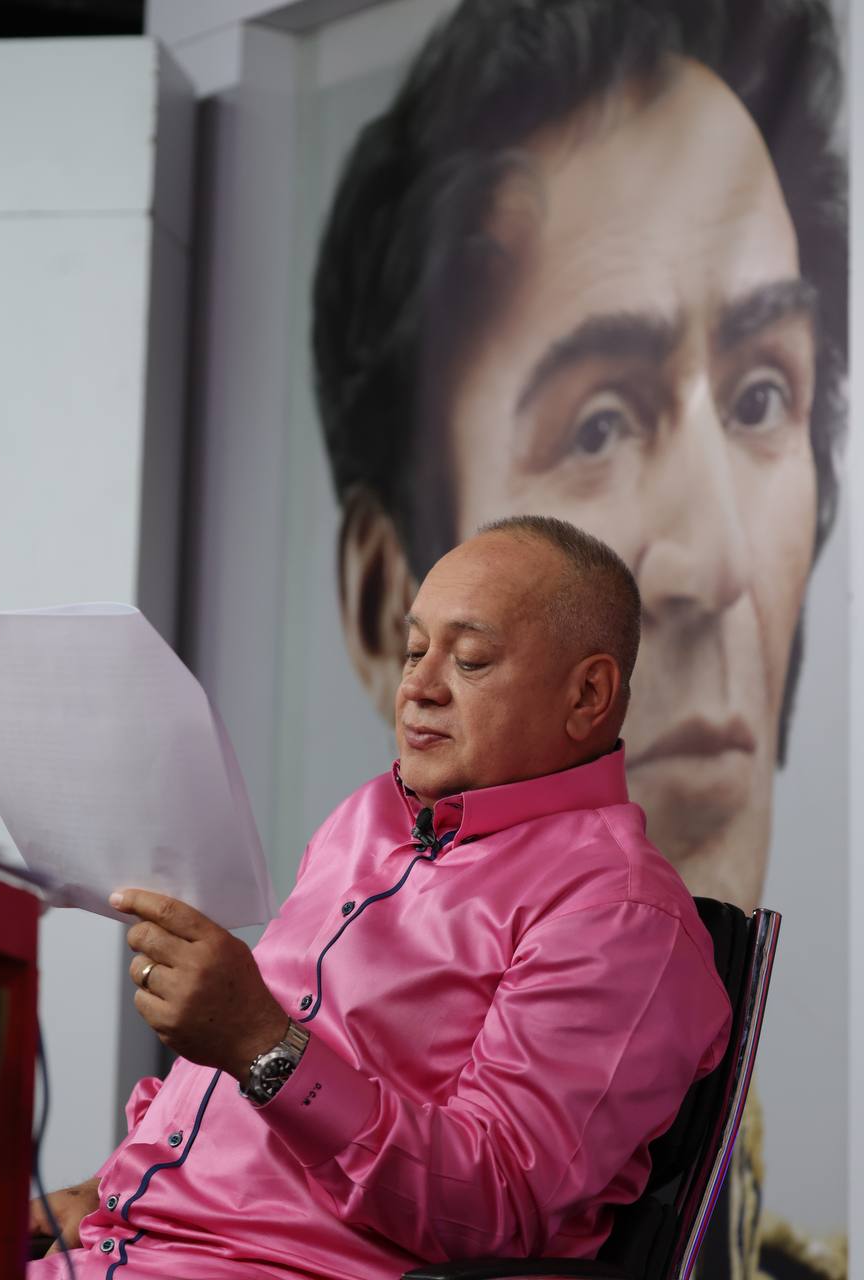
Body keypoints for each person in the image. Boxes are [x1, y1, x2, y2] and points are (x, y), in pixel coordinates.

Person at [312, 10, 846, 1273]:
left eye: (761, 395)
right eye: (598, 423)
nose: (715, 564)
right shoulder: (342, 872)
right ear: (383, 596)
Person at [28, 518, 731, 1279]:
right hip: (126, 1240)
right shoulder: (366, 817)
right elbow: (246, 1088)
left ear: (587, 694)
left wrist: (261, 1046)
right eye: (414, 651)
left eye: (470, 659)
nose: (419, 688)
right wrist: (108, 1187)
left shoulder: (619, 915)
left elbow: (497, 1207)